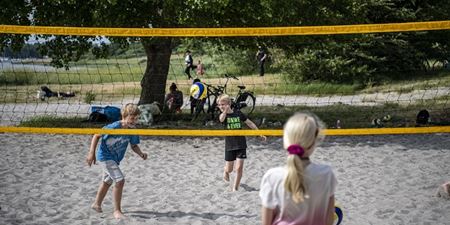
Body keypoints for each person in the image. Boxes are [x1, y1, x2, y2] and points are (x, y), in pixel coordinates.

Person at [259, 113, 336, 225]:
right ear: (314, 142)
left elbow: (266, 222)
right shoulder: (326, 174)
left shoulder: (272, 177)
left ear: (286, 141)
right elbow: (328, 220)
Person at [86, 103, 148, 219]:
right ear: (124, 116)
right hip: (105, 157)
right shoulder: (114, 127)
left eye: (136, 118)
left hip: (115, 159)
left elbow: (134, 145)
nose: (134, 121)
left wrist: (141, 154)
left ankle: (97, 204)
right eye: (132, 118)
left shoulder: (133, 130)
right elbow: (96, 135)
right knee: (120, 181)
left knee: (107, 181)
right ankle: (117, 211)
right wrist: (91, 153)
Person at [217, 94, 266, 191]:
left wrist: (259, 133)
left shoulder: (238, 113)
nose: (221, 106)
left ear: (229, 104)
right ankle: (225, 171)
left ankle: (235, 188)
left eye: (223, 104)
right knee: (229, 169)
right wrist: (225, 111)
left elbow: (249, 123)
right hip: (230, 145)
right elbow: (221, 119)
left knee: (239, 168)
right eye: (219, 105)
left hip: (240, 144)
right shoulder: (224, 115)